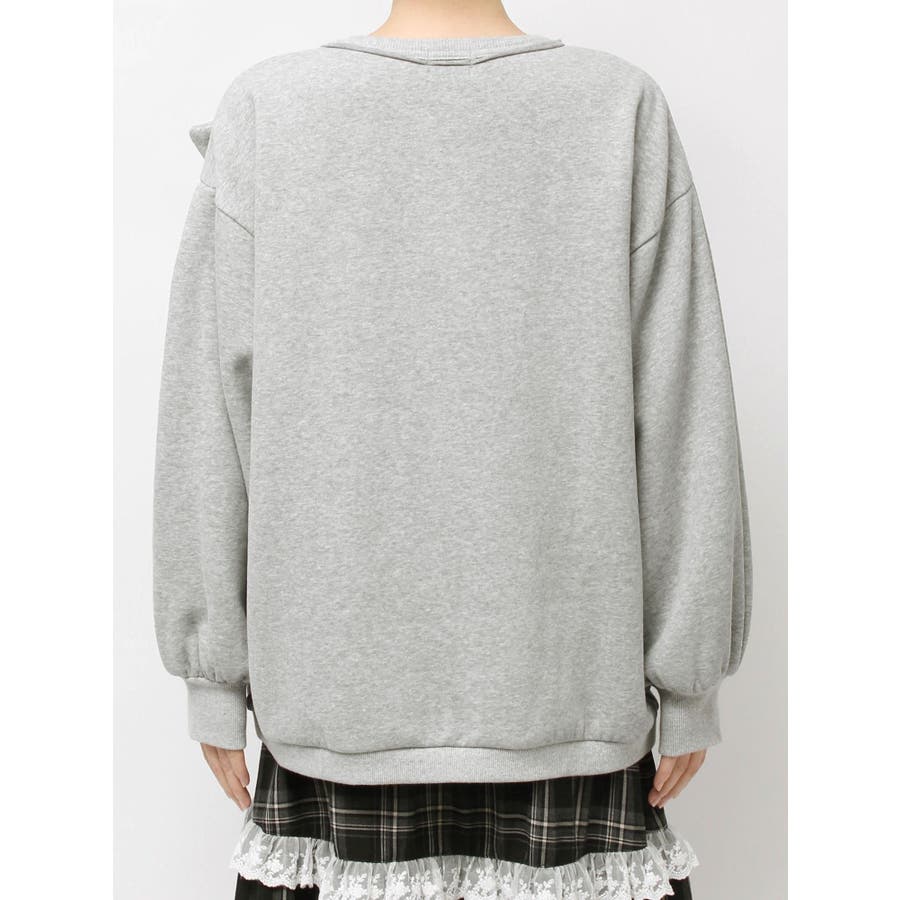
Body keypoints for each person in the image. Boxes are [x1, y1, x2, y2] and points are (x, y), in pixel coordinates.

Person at [152, 2, 753, 898]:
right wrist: (691, 679)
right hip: (553, 694)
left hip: (353, 702)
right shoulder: (614, 104)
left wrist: (213, 672)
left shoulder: (274, 107)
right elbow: (683, 409)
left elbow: (209, 409)